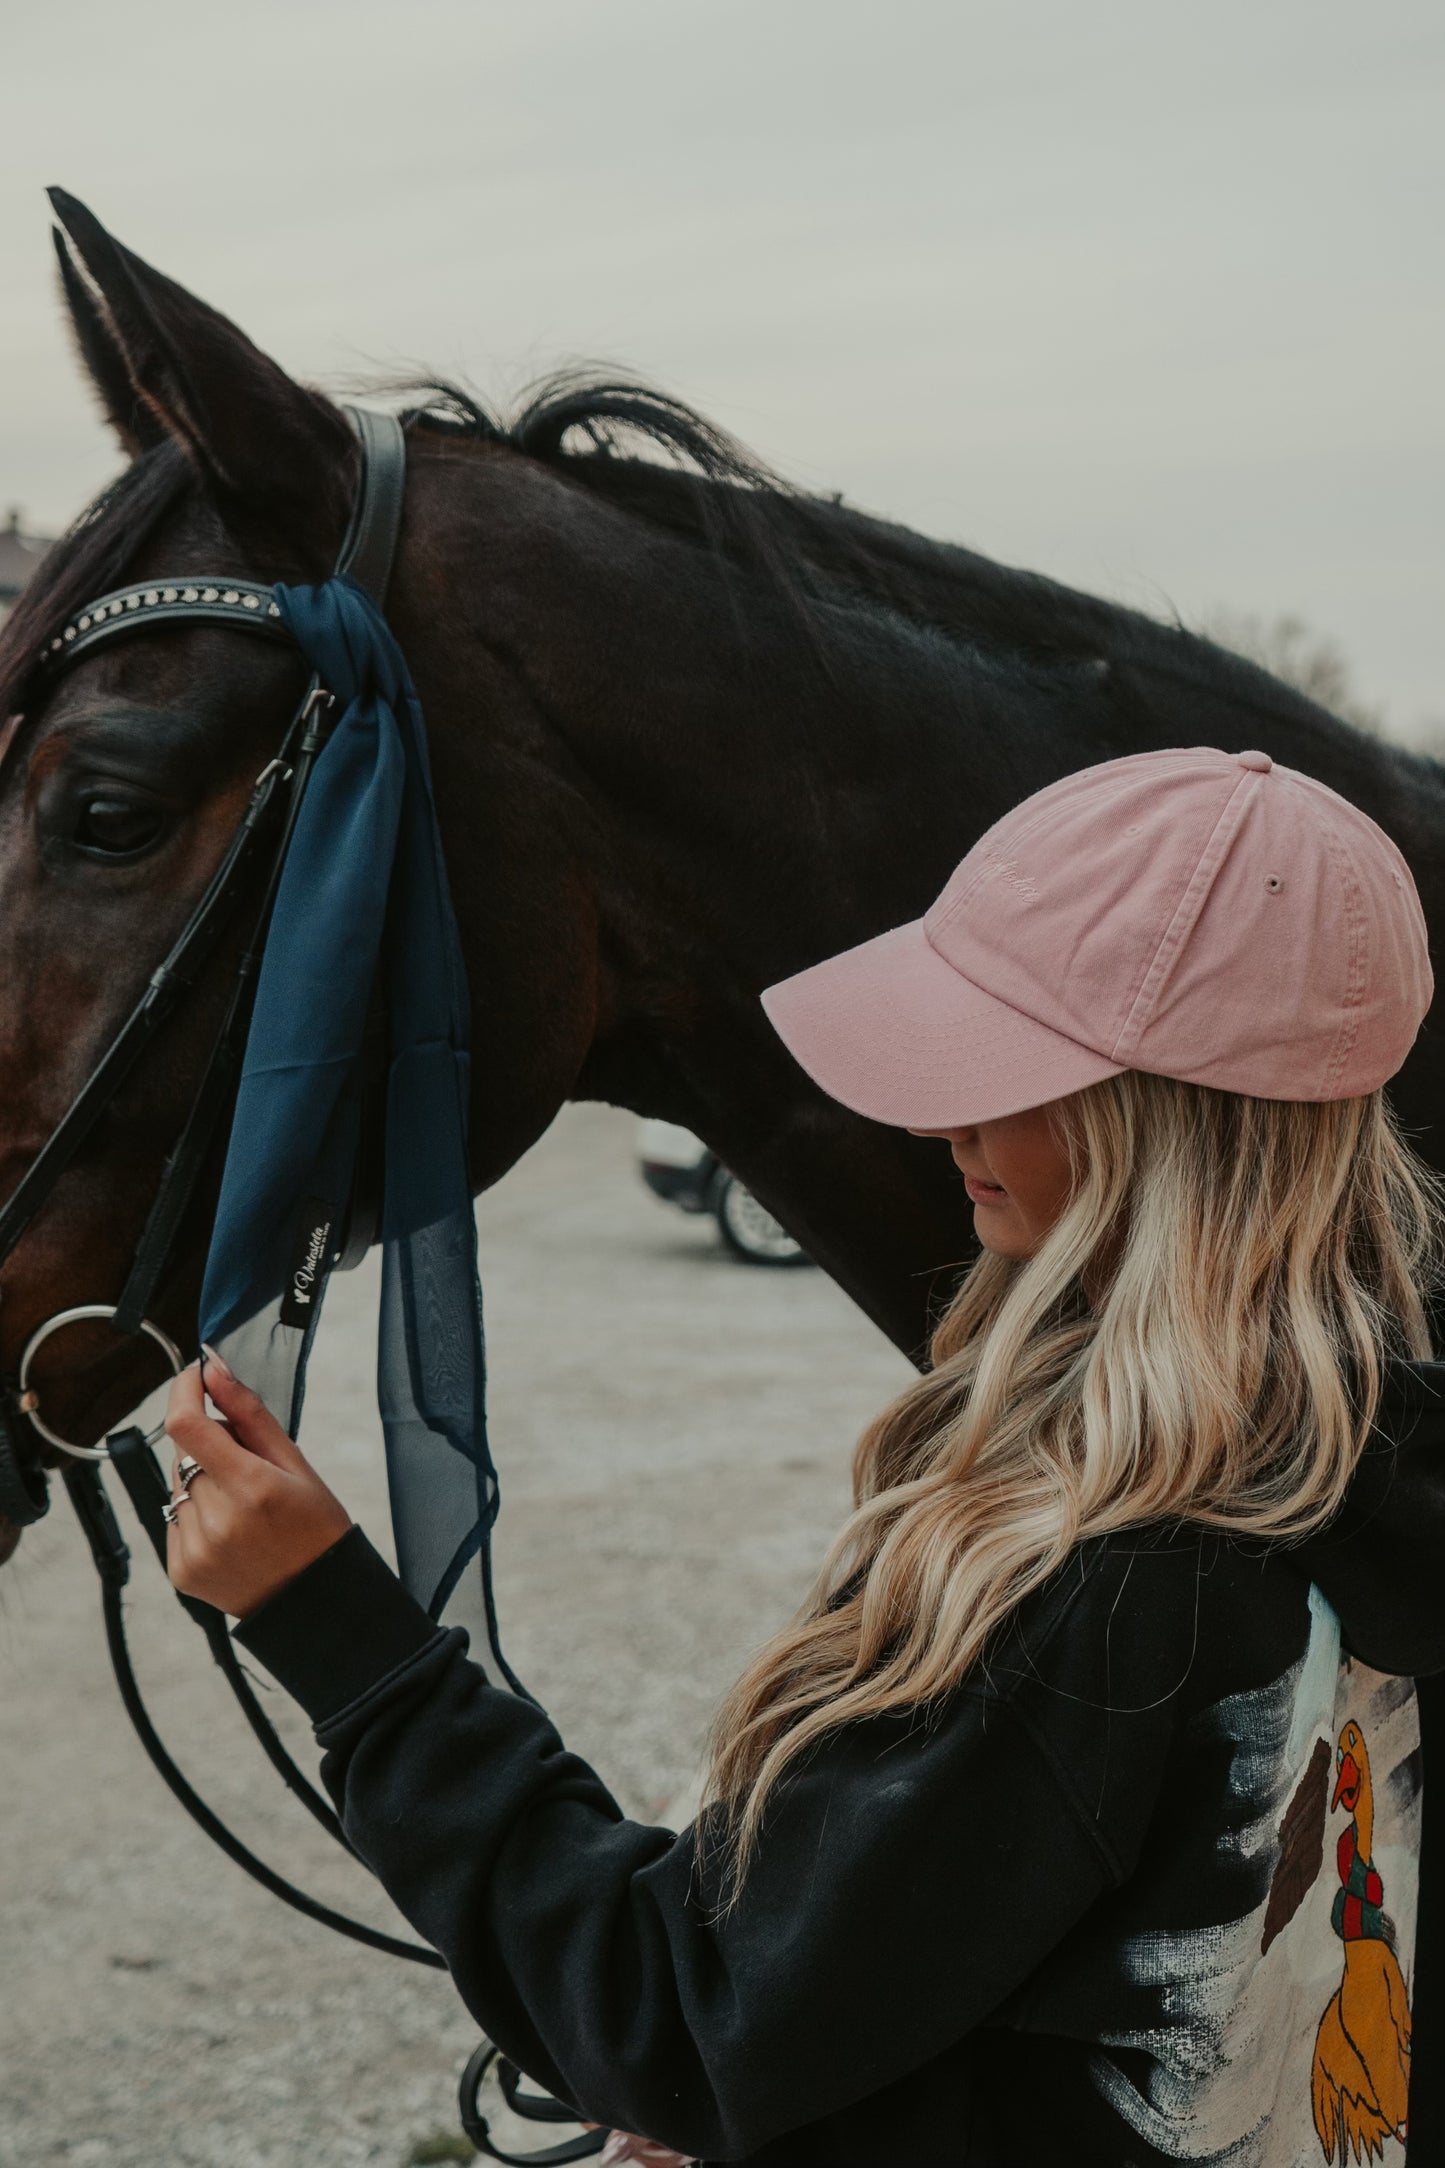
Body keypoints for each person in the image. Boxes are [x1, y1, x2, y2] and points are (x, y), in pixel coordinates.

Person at [164, 746, 1445, 2167]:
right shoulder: (1363, 1458)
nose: (940, 1116)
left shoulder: (1108, 1577)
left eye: (1005, 1065)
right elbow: (1138, 1980)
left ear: (1166, 1120)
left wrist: (344, 1639)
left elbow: (685, 2020)